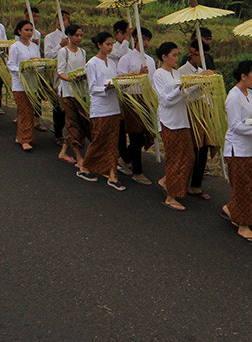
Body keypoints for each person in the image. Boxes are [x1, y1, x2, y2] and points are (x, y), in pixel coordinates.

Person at [221, 60, 252, 244]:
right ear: (244, 76)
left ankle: (232, 208)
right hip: (238, 149)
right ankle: (243, 225)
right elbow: (234, 125)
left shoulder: (251, 94)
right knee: (244, 188)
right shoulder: (233, 96)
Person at [75, 31, 125, 190]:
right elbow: (92, 89)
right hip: (100, 108)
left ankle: (112, 174)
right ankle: (84, 167)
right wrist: (106, 87)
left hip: (113, 107)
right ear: (99, 45)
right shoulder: (92, 63)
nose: (110, 47)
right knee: (99, 140)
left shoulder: (112, 62)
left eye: (111, 44)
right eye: (107, 44)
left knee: (112, 142)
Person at [152, 41, 194, 210]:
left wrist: (199, 84)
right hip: (168, 121)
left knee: (189, 157)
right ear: (164, 57)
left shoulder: (177, 74)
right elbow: (165, 100)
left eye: (177, 54)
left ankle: (166, 181)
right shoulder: (158, 75)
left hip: (182, 119)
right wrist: (181, 89)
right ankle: (170, 196)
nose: (177, 58)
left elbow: (187, 96)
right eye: (174, 55)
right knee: (174, 159)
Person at [116, 27, 155, 185]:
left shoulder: (151, 61)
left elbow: (152, 82)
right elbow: (120, 83)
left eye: (147, 40)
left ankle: (124, 158)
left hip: (146, 100)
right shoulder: (126, 59)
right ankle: (137, 172)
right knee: (136, 136)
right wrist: (137, 76)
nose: (145, 43)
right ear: (135, 39)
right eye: (142, 39)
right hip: (131, 100)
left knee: (143, 135)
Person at [178, 42, 213, 201]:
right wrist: (199, 82)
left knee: (203, 148)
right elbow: (180, 94)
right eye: (201, 55)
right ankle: (179, 182)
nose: (203, 58)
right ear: (192, 54)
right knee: (190, 149)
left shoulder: (203, 71)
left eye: (205, 55)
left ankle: (195, 185)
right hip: (189, 112)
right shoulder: (181, 72)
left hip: (204, 111)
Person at [56, 23, 87, 166]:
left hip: (80, 92)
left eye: (81, 35)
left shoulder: (82, 52)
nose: (79, 38)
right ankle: (78, 155)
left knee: (76, 122)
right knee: (73, 123)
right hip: (68, 92)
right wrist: (70, 79)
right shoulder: (64, 52)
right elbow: (60, 71)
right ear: (69, 36)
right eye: (76, 35)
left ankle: (63, 151)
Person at [7, 19, 41, 151]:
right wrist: (22, 69)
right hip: (20, 84)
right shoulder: (15, 46)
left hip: (32, 84)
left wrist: (40, 66)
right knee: (25, 111)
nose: (29, 32)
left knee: (28, 111)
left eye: (31, 30)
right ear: (19, 31)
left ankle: (21, 136)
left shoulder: (34, 46)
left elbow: (38, 62)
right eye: (26, 30)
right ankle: (25, 139)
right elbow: (11, 65)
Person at [43, 10, 71, 145]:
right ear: (56, 21)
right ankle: (58, 132)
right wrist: (60, 45)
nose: (62, 22)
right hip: (55, 72)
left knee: (67, 101)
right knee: (57, 102)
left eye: (65, 19)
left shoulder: (71, 36)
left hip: (68, 72)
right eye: (60, 19)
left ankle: (65, 130)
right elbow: (47, 55)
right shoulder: (50, 37)